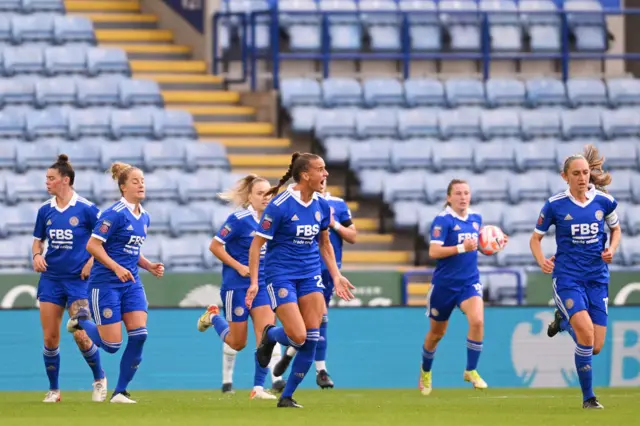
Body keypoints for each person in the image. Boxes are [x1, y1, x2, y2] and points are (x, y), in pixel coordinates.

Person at [246, 152, 355, 408]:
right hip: (281, 275)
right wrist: (254, 282)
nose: (326, 174)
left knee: (312, 338)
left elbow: (325, 244)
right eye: (321, 169)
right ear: (306, 175)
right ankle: (270, 335)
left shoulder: (322, 205)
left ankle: (287, 397)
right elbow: (256, 245)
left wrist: (337, 275)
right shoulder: (279, 205)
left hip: (310, 275)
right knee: (299, 335)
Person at [530, 144, 621, 409]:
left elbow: (616, 231)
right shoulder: (555, 206)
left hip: (597, 278)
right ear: (565, 176)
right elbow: (535, 239)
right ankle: (589, 399)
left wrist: (611, 249)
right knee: (586, 333)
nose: (582, 178)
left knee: (595, 346)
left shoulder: (604, 202)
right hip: (568, 278)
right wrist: (542, 260)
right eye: (576, 174)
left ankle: (563, 321)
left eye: (585, 173)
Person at [66, 162, 165, 404]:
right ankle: (80, 321)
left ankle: (119, 392)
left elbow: (130, 250)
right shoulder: (114, 213)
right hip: (106, 283)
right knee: (111, 345)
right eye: (135, 181)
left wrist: (148, 265)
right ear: (123, 187)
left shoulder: (145, 217)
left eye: (142, 180)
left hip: (131, 283)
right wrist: (116, 267)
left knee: (140, 334)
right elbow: (93, 245)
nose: (141, 184)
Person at [196, 174, 286, 399]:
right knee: (237, 343)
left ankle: (258, 388)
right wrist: (239, 266)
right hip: (237, 286)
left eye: (269, 193)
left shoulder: (274, 219)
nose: (266, 198)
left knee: (265, 337)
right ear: (250, 197)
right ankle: (213, 317)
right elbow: (215, 246)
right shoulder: (238, 219)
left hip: (263, 285)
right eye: (260, 194)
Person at [419, 179, 508, 396]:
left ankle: (471, 370)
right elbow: (434, 252)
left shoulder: (476, 218)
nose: (463, 197)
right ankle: (425, 371)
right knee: (436, 333)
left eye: (466, 193)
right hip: (444, 285)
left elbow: (478, 246)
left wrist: (495, 243)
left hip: (469, 282)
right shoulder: (443, 220)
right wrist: (461, 247)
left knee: (477, 320)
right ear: (449, 197)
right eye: (458, 193)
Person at [33, 154, 106, 403]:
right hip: (51, 279)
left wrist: (91, 261)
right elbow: (37, 240)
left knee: (81, 335)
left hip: (79, 281)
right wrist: (35, 255)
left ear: (65, 180)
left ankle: (99, 378)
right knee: (50, 337)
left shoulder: (87, 209)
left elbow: (102, 241)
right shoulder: (45, 210)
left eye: (51, 178)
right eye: (46, 178)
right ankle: (54, 390)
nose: (47, 182)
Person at [272, 179, 357, 388]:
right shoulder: (290, 203)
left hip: (327, 271)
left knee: (318, 321)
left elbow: (352, 236)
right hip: (299, 269)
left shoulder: (335, 204)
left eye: (325, 174)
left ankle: (320, 369)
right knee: (303, 326)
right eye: (319, 172)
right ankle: (290, 351)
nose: (324, 178)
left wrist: (333, 223)